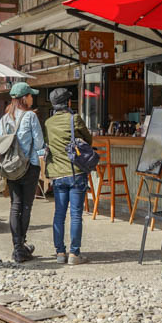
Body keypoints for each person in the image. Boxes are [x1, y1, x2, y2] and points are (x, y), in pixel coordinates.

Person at [43, 88, 93, 265]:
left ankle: (59, 253)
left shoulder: (48, 123)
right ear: (68, 103)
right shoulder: (75, 119)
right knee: (76, 214)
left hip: (57, 174)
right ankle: (74, 254)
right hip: (75, 172)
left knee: (59, 214)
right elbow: (88, 139)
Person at [0, 82, 44, 263]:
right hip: (28, 166)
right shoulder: (30, 116)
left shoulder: (4, 119)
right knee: (26, 206)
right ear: (25, 98)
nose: (33, 98)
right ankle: (20, 247)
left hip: (10, 167)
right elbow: (39, 143)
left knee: (15, 205)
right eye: (31, 95)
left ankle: (17, 247)